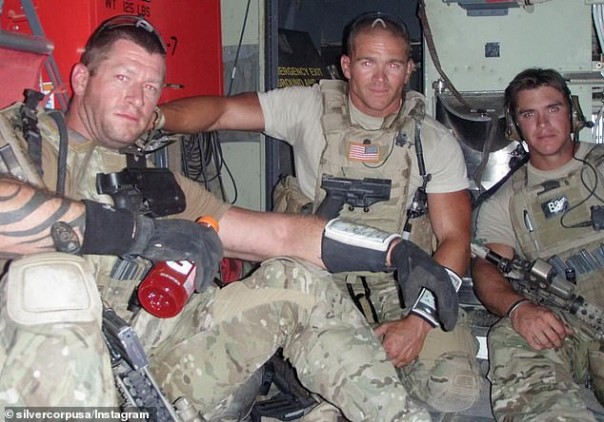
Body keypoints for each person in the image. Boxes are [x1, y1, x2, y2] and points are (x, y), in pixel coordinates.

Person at [0, 14, 459, 421]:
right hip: (40, 380)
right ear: (81, 79)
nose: (137, 98)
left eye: (151, 87)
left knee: (297, 280)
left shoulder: (146, 178)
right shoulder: (22, 143)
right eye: (123, 77)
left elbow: (279, 236)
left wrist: (392, 251)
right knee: (50, 283)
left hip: (137, 369)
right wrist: (140, 234)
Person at [158, 11, 480, 414]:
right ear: (346, 65)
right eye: (367, 63)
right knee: (327, 383)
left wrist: (418, 323)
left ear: (409, 69)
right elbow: (223, 111)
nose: (380, 78)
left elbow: (455, 239)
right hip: (313, 275)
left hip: (399, 279)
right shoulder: (307, 107)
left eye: (393, 65)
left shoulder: (431, 140)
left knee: (455, 388)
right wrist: (157, 118)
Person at [472, 67, 604, 420]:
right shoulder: (504, 202)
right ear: (515, 126)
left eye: (553, 109)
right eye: (529, 114)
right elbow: (487, 268)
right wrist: (519, 308)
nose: (543, 124)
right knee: (511, 336)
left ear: (573, 113)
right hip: (572, 326)